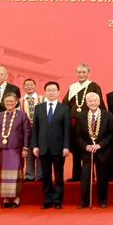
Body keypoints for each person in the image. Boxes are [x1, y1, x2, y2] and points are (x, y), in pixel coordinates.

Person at [31, 81, 71, 209]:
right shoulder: (39, 107)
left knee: (59, 175)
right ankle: (47, 200)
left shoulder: (64, 108)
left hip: (59, 148)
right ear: (45, 92)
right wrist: (35, 145)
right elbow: (35, 129)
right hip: (42, 147)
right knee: (46, 175)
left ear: (58, 92)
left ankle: (58, 201)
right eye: (49, 90)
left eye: (54, 90)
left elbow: (67, 129)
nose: (51, 92)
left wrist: (66, 146)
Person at [63, 63, 105, 182]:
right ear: (76, 73)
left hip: (88, 122)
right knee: (76, 149)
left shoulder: (93, 86)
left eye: (84, 72)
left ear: (88, 73)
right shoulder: (72, 87)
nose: (81, 74)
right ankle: (76, 175)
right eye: (79, 72)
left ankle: (90, 175)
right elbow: (65, 104)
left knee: (88, 149)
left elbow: (99, 103)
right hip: (74, 123)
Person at [0, 93, 31, 208]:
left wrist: (26, 148)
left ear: (16, 102)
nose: (9, 103)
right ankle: (6, 199)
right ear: (4, 102)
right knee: (4, 175)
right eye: (7, 101)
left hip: (16, 149)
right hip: (2, 151)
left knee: (16, 175)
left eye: (11, 101)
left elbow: (27, 132)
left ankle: (16, 198)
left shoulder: (22, 115)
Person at [77, 92, 113, 209]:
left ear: (99, 102)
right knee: (85, 176)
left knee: (102, 176)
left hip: (102, 151)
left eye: (95, 101)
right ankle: (84, 200)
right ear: (86, 103)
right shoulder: (80, 116)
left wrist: (100, 145)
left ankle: (102, 200)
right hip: (87, 151)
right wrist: (86, 146)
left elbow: (111, 134)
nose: (92, 103)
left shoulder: (108, 115)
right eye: (90, 101)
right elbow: (78, 136)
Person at [21, 78, 42, 181]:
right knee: (28, 152)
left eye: (31, 85)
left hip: (40, 129)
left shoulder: (41, 99)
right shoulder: (20, 100)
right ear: (23, 87)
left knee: (39, 151)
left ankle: (40, 175)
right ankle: (29, 175)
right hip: (26, 130)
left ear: (35, 86)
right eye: (27, 85)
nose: (29, 87)